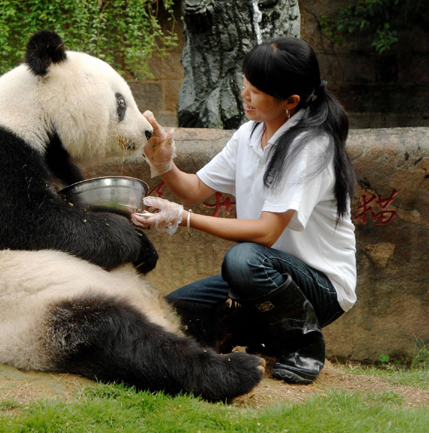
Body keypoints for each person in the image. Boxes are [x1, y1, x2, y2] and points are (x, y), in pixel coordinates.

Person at [132, 37, 357, 385]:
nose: (244, 95)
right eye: (245, 84)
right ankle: (264, 341)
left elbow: (267, 232)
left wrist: (183, 219)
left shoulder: (312, 146)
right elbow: (194, 189)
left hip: (319, 288)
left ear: (291, 101)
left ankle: (304, 344)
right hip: (262, 279)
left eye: (255, 90)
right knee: (173, 312)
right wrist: (162, 160)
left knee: (243, 260)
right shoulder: (249, 135)